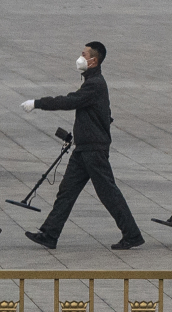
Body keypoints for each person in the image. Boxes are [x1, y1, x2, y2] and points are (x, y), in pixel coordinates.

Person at [20, 41, 144, 250]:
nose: (80, 58)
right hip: (84, 149)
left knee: (108, 194)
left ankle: (132, 234)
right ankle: (50, 234)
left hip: (94, 150)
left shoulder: (95, 85)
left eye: (83, 54)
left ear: (93, 60)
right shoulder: (92, 82)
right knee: (66, 191)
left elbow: (69, 101)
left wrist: (38, 103)